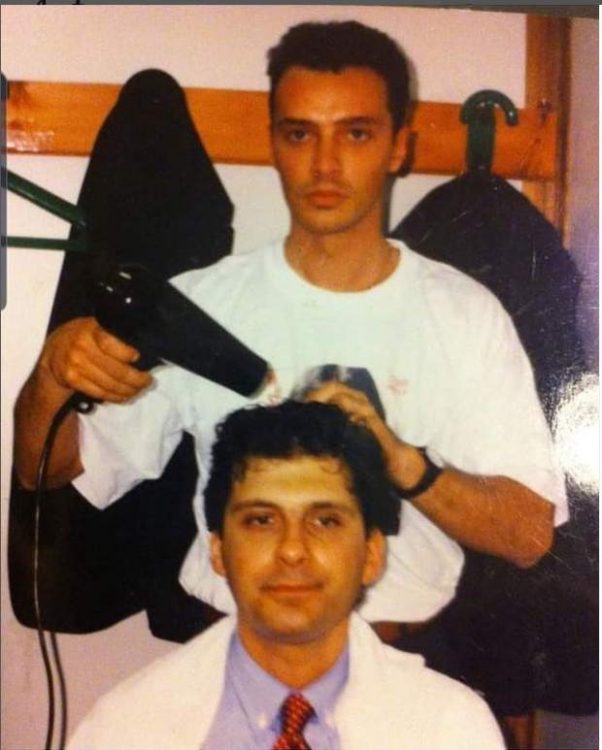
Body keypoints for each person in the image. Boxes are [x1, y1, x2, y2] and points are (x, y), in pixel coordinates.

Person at [14, 21, 566, 636]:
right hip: (228, 645)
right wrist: (50, 377)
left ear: (398, 148)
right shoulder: (201, 304)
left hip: (397, 659)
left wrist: (402, 462)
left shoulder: (463, 314)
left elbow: (528, 535)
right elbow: (47, 472)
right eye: (301, 133)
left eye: (356, 133)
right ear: (275, 143)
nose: (325, 164)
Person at [66, 401, 505, 750]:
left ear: (372, 554)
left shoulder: (452, 729)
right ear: (218, 550)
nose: (292, 549)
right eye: (261, 520)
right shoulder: (123, 727)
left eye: (325, 521)